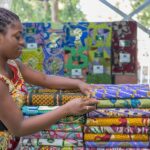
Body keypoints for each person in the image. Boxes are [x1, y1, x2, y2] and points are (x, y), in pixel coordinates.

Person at [0, 8, 98, 150]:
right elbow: (19, 127)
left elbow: (45, 79)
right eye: (17, 36)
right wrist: (66, 109)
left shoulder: (14, 66)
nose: (22, 42)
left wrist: (79, 83)